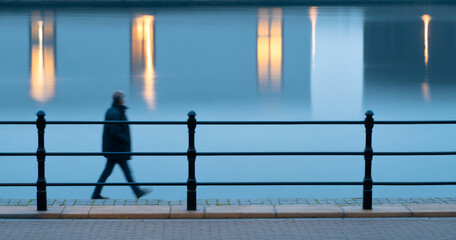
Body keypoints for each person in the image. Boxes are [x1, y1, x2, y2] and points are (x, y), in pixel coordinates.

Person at [92, 91, 151, 199]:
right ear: (121, 100)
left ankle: (96, 194)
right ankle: (137, 191)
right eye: (123, 98)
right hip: (117, 148)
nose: (124, 100)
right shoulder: (116, 113)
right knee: (124, 171)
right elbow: (114, 131)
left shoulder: (111, 110)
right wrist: (126, 140)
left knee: (109, 171)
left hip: (112, 147)